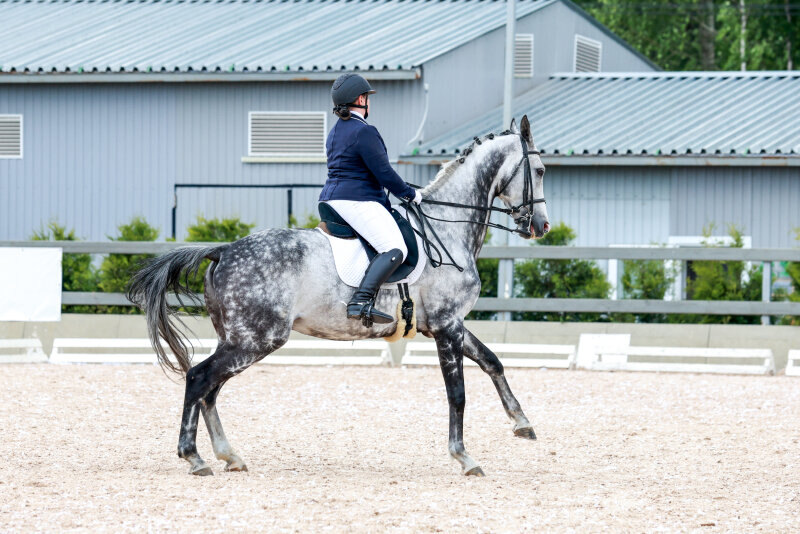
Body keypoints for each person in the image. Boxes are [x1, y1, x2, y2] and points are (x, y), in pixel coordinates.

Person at [319, 73, 423, 326]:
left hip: (331, 201)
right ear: (361, 99)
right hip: (358, 201)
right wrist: (411, 194)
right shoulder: (364, 131)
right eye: (367, 97)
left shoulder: (336, 131)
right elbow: (384, 172)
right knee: (394, 248)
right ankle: (361, 301)